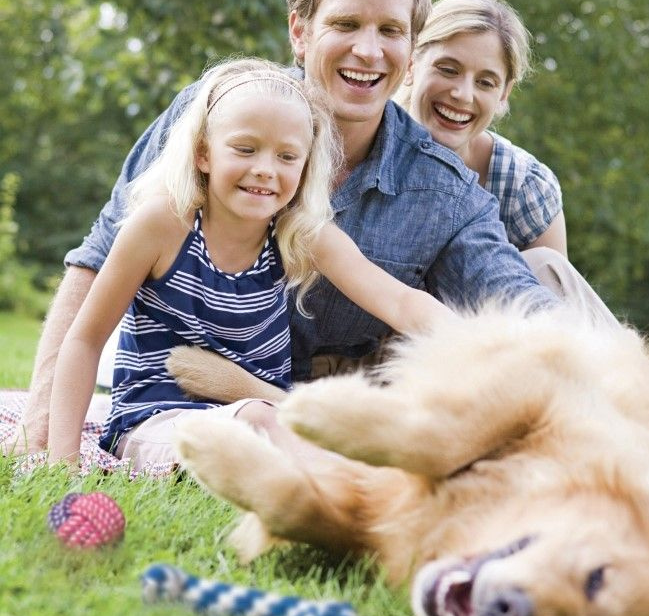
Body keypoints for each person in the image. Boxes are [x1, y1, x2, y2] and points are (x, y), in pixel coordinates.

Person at [20, 0, 557, 454]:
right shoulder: (213, 116)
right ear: (300, 32)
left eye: (391, 31)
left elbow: (505, 302)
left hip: (314, 411)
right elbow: (96, 262)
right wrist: (44, 427)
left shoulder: (444, 193)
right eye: (346, 23)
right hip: (180, 400)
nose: (369, 52)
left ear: (411, 48)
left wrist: (576, 370)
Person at [47, 58, 452, 467]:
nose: (264, 171)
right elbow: (85, 339)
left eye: (287, 157)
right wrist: (61, 461)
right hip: (157, 423)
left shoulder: (296, 231)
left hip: (268, 417)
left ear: (306, 165)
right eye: (245, 149)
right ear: (204, 153)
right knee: (261, 425)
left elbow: (400, 301)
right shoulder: (162, 225)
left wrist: (474, 342)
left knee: (331, 435)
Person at [394, 0, 567, 255]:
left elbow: (555, 294)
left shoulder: (523, 187)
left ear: (504, 94)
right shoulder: (362, 149)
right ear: (411, 64)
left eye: (485, 83)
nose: (463, 94)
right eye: (448, 70)